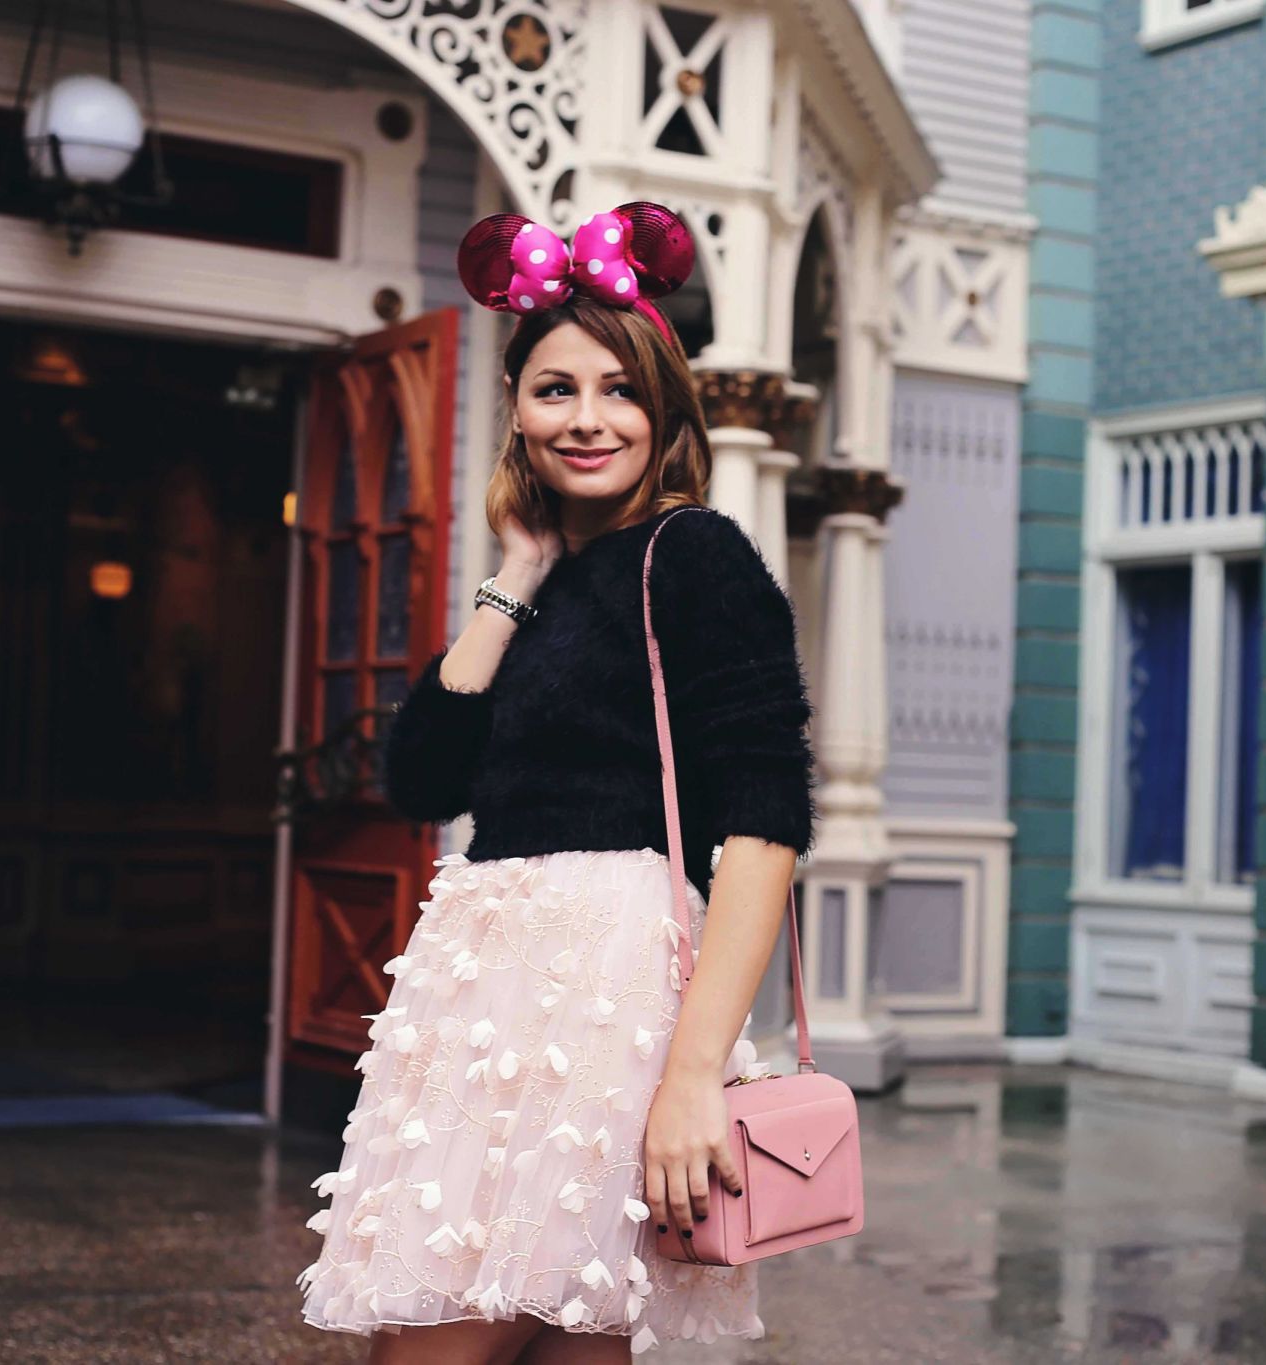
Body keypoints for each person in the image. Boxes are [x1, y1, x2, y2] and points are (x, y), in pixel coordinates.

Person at [297, 203, 819, 1363]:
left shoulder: (694, 555)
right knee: (556, 1336)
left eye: (619, 390)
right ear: (517, 410)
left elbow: (766, 822)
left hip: (602, 986)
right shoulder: (545, 582)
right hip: (490, 991)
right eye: (555, 390)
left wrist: (691, 1075)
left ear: (664, 411)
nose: (587, 418)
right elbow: (419, 778)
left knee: (457, 1337)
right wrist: (515, 572)